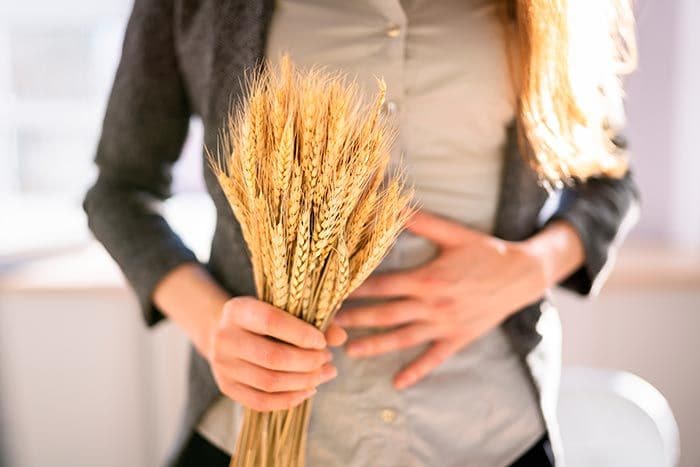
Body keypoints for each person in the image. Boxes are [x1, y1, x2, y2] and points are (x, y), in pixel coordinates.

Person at [83, 0, 639, 465]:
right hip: (258, 437)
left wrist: (531, 266)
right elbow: (120, 192)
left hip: (491, 434)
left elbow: (610, 183)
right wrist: (214, 328)